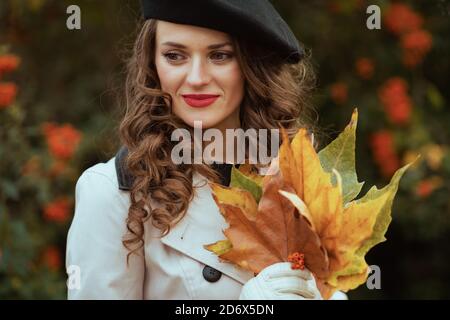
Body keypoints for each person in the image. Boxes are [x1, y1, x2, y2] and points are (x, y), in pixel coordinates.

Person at [66, 0, 347, 300]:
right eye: (175, 56)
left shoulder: (298, 178)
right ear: (152, 63)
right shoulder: (114, 194)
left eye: (219, 55)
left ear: (251, 64)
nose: (197, 78)